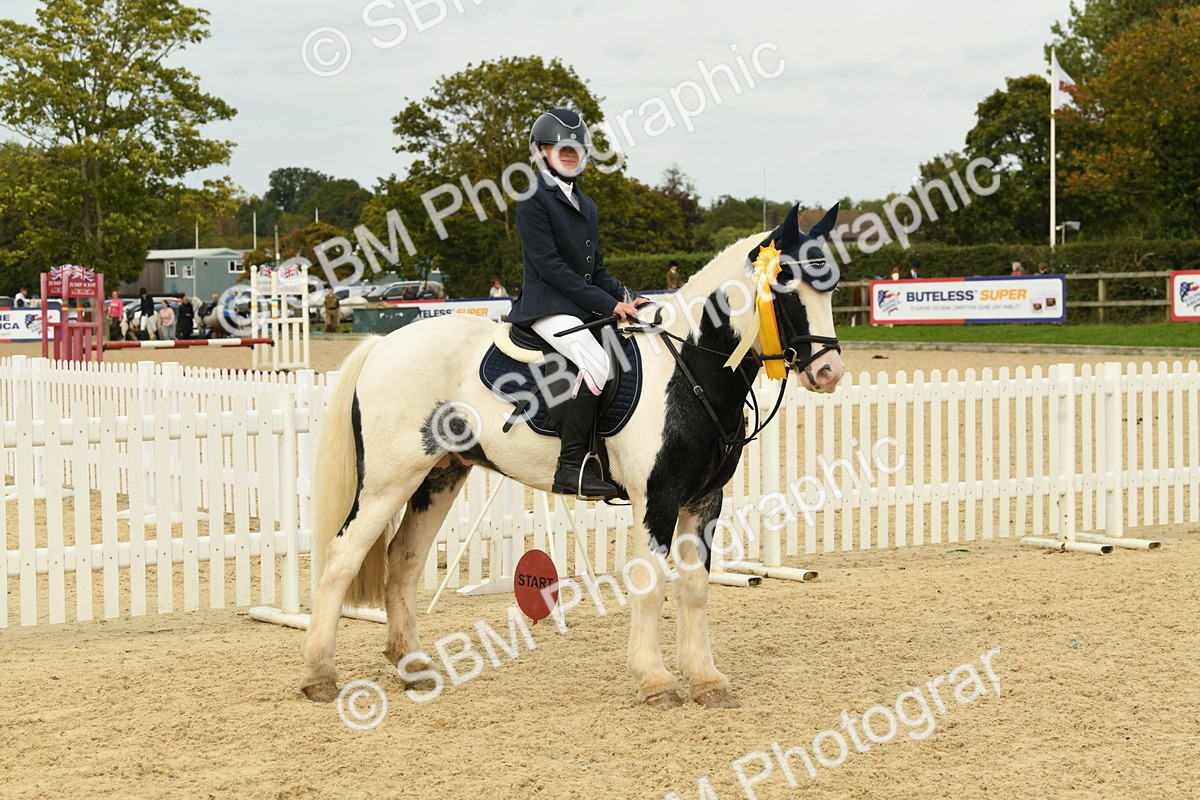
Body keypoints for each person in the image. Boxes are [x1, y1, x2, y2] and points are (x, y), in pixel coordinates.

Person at [505, 108, 649, 499]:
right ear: (540, 152)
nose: (570, 154)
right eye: (561, 148)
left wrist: (624, 297)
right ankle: (570, 467)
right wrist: (607, 305)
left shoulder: (587, 205)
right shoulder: (533, 199)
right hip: (545, 306)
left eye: (576, 149)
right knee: (598, 364)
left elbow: (594, 269)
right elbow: (550, 266)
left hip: (578, 306)